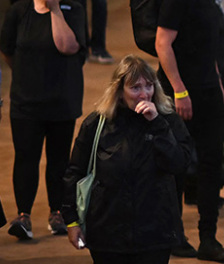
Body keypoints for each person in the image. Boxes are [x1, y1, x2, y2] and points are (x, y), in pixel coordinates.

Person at [153, 0, 224, 261]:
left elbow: (209, 45)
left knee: (211, 161)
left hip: (207, 89)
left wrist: (217, 82)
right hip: (181, 93)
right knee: (177, 164)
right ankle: (175, 235)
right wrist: (179, 90)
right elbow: (163, 44)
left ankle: (208, 238)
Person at [61, 56, 195, 263]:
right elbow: (75, 172)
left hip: (155, 234)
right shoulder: (96, 124)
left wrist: (157, 125)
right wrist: (71, 222)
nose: (144, 94)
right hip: (107, 235)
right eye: (135, 88)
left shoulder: (167, 120)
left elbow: (179, 164)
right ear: (119, 91)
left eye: (149, 86)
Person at [1, 0, 86, 240]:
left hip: (62, 101)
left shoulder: (73, 11)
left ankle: (57, 213)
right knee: (25, 159)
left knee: (59, 161)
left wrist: (55, 12)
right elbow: (9, 51)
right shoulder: (19, 11)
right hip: (26, 102)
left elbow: (68, 46)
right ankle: (23, 215)